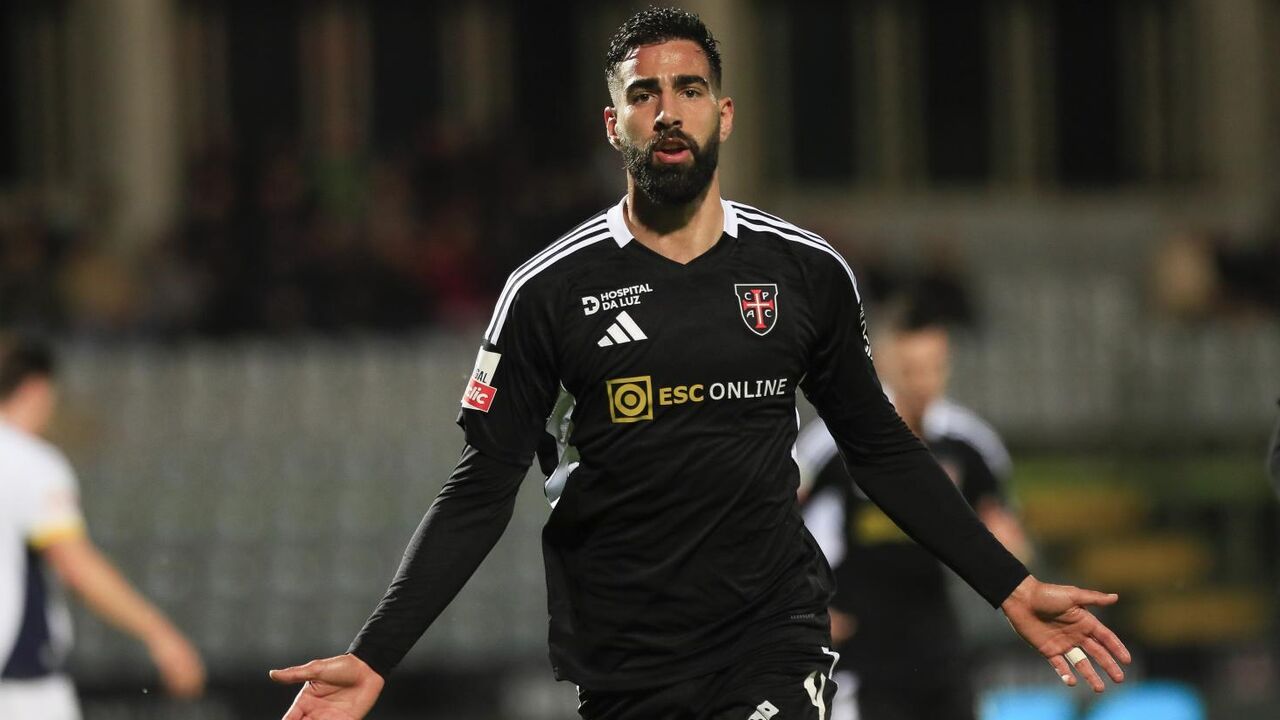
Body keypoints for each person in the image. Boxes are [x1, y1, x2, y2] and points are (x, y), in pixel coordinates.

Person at [271, 8, 1129, 720]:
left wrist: (1010, 588)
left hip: (772, 639)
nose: (668, 110)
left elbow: (882, 449)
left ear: (724, 113)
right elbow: (481, 490)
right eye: (644, 94)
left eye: (689, 89)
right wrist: (375, 655)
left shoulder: (804, 273)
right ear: (615, 123)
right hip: (623, 665)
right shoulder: (547, 292)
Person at [797, 303, 1032, 720]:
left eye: (934, 367)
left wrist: (1008, 553)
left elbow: (1007, 534)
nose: (924, 382)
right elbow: (781, 524)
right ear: (886, 363)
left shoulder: (969, 445)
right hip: (859, 645)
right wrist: (810, 608)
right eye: (911, 369)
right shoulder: (834, 443)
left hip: (937, 640)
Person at [0, 335, 206, 719]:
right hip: (20, 685)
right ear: (37, 389)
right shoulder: (28, 462)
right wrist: (159, 633)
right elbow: (76, 567)